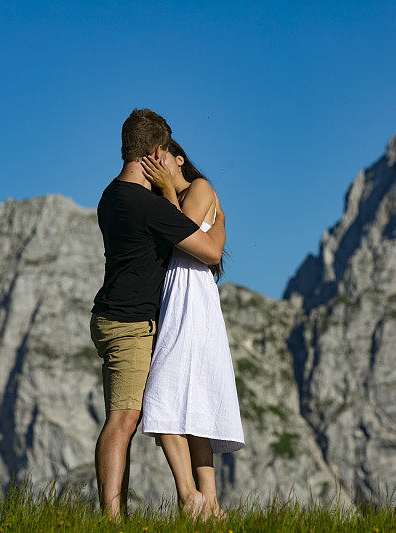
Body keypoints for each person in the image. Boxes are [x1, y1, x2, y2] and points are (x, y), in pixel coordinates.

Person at [89, 109, 225, 521]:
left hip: (112, 316)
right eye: (163, 151)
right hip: (131, 325)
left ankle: (159, 505)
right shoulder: (146, 205)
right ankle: (113, 519)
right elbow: (211, 251)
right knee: (124, 418)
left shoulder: (111, 195)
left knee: (138, 412)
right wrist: (220, 223)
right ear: (153, 151)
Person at [139, 139, 245, 521]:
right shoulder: (166, 197)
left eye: (161, 157)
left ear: (179, 159)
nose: (155, 163)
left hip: (191, 295)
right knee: (189, 400)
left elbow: (180, 236)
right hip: (177, 295)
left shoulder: (198, 188)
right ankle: (210, 504)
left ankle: (191, 497)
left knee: (162, 394)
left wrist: (168, 191)